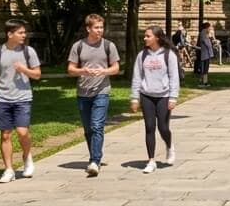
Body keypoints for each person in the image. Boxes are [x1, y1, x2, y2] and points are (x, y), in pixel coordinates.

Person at [0, 19, 42, 184]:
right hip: (2, 98)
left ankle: (27, 156)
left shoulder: (28, 51)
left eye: (24, 32)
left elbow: (37, 75)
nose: (24, 35)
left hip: (23, 97)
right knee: (5, 134)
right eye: (21, 33)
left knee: (22, 132)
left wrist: (24, 69)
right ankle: (9, 169)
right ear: (10, 34)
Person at [67, 13, 120, 177]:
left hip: (101, 91)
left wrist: (104, 71)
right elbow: (71, 69)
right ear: (88, 28)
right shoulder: (78, 46)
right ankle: (94, 156)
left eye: (101, 27)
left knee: (97, 125)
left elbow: (116, 68)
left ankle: (95, 161)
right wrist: (82, 71)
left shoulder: (109, 46)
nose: (99, 30)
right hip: (83, 92)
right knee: (88, 128)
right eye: (96, 27)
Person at [129, 26, 179, 174]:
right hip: (147, 95)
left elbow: (174, 77)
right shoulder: (142, 55)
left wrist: (173, 97)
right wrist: (134, 97)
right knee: (149, 127)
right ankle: (151, 160)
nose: (145, 38)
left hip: (164, 95)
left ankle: (169, 146)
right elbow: (137, 77)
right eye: (145, 36)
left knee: (163, 127)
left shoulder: (169, 55)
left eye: (148, 36)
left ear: (157, 38)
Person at [196, 21, 215, 87]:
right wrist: (211, 52)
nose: (210, 29)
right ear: (207, 27)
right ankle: (204, 82)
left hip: (205, 54)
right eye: (209, 27)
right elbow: (208, 44)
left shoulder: (204, 33)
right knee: (205, 69)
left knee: (204, 69)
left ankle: (203, 81)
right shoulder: (204, 33)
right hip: (205, 54)